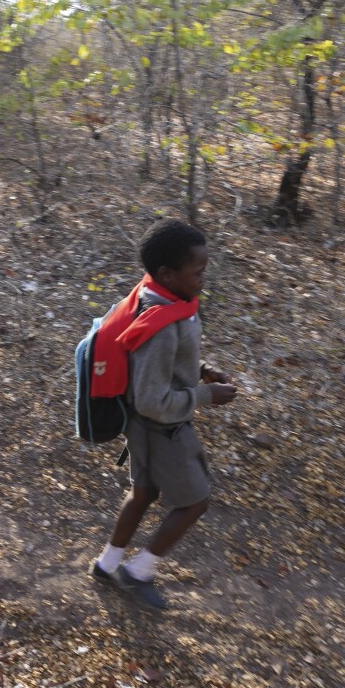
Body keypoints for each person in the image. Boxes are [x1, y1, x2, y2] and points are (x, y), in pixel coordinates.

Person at [89, 219, 238, 610]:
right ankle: (138, 572)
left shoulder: (165, 299)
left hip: (148, 426)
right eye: (198, 271)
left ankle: (107, 564)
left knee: (144, 493)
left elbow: (165, 363)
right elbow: (152, 398)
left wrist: (201, 368)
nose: (204, 277)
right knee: (195, 502)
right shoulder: (162, 324)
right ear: (168, 273)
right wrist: (207, 394)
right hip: (162, 428)